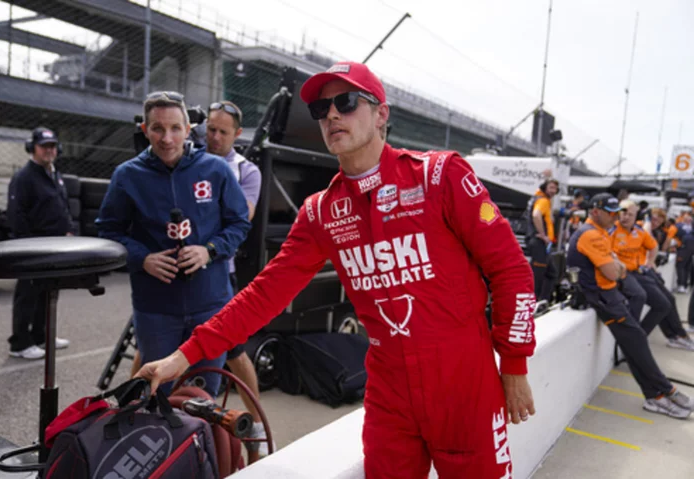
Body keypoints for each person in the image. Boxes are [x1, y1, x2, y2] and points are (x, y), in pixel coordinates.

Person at [137, 61, 537, 478]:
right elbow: (263, 296)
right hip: (389, 390)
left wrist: (514, 364)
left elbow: (511, 270)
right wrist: (184, 356)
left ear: (381, 114)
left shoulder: (440, 176)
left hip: (464, 381)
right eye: (321, 108)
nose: (331, 115)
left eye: (345, 102)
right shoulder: (321, 212)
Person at [96, 91, 251, 398]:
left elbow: (239, 223)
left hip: (210, 304)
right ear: (145, 129)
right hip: (156, 307)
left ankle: (207, 446)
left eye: (175, 128)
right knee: (158, 394)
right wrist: (142, 258)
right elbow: (108, 231)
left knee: (204, 395)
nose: (167, 138)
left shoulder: (215, 170)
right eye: (157, 128)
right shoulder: (127, 176)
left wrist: (209, 250)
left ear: (188, 128)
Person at [567, 193, 693, 419]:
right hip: (603, 297)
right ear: (595, 211)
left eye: (618, 212)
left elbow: (617, 268)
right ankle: (665, 391)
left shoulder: (600, 232)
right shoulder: (591, 235)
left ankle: (655, 396)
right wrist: (617, 267)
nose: (615, 217)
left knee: (634, 343)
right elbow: (613, 272)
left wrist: (617, 267)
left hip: (608, 295)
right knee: (636, 341)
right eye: (611, 212)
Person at [205, 99, 270, 455]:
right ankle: (132, 417)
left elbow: (241, 217)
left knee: (234, 350)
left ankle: (256, 427)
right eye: (210, 130)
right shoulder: (187, 157)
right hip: (175, 269)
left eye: (222, 132)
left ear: (237, 134)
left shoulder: (246, 171)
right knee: (151, 347)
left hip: (219, 271)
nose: (214, 137)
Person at [6, 127, 74, 359]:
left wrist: (68, 230)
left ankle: (41, 336)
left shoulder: (54, 174)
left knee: (47, 292)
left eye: (52, 146)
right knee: (27, 294)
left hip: (54, 246)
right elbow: (16, 214)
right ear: (32, 148)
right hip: (33, 247)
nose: (49, 150)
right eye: (44, 146)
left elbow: (61, 206)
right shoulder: (24, 177)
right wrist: (26, 247)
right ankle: (19, 344)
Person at [612, 200, 694, 351]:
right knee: (647, 298)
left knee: (666, 302)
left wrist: (650, 262)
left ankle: (643, 338)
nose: (626, 217)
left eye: (630, 214)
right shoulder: (612, 230)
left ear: (636, 215)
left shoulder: (639, 230)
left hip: (640, 271)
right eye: (623, 213)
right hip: (624, 274)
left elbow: (653, 246)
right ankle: (669, 337)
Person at [525, 178, 559, 300]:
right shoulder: (543, 201)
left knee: (551, 273)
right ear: (544, 188)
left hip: (540, 244)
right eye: (551, 188)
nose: (553, 191)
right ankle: (535, 301)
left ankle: (543, 300)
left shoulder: (538, 198)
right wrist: (543, 234)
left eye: (555, 188)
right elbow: (536, 215)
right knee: (538, 276)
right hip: (539, 242)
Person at [674, 213, 694, 293]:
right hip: (687, 247)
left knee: (682, 266)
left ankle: (682, 285)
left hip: (685, 248)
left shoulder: (681, 226)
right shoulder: (680, 226)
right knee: (685, 266)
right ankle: (683, 285)